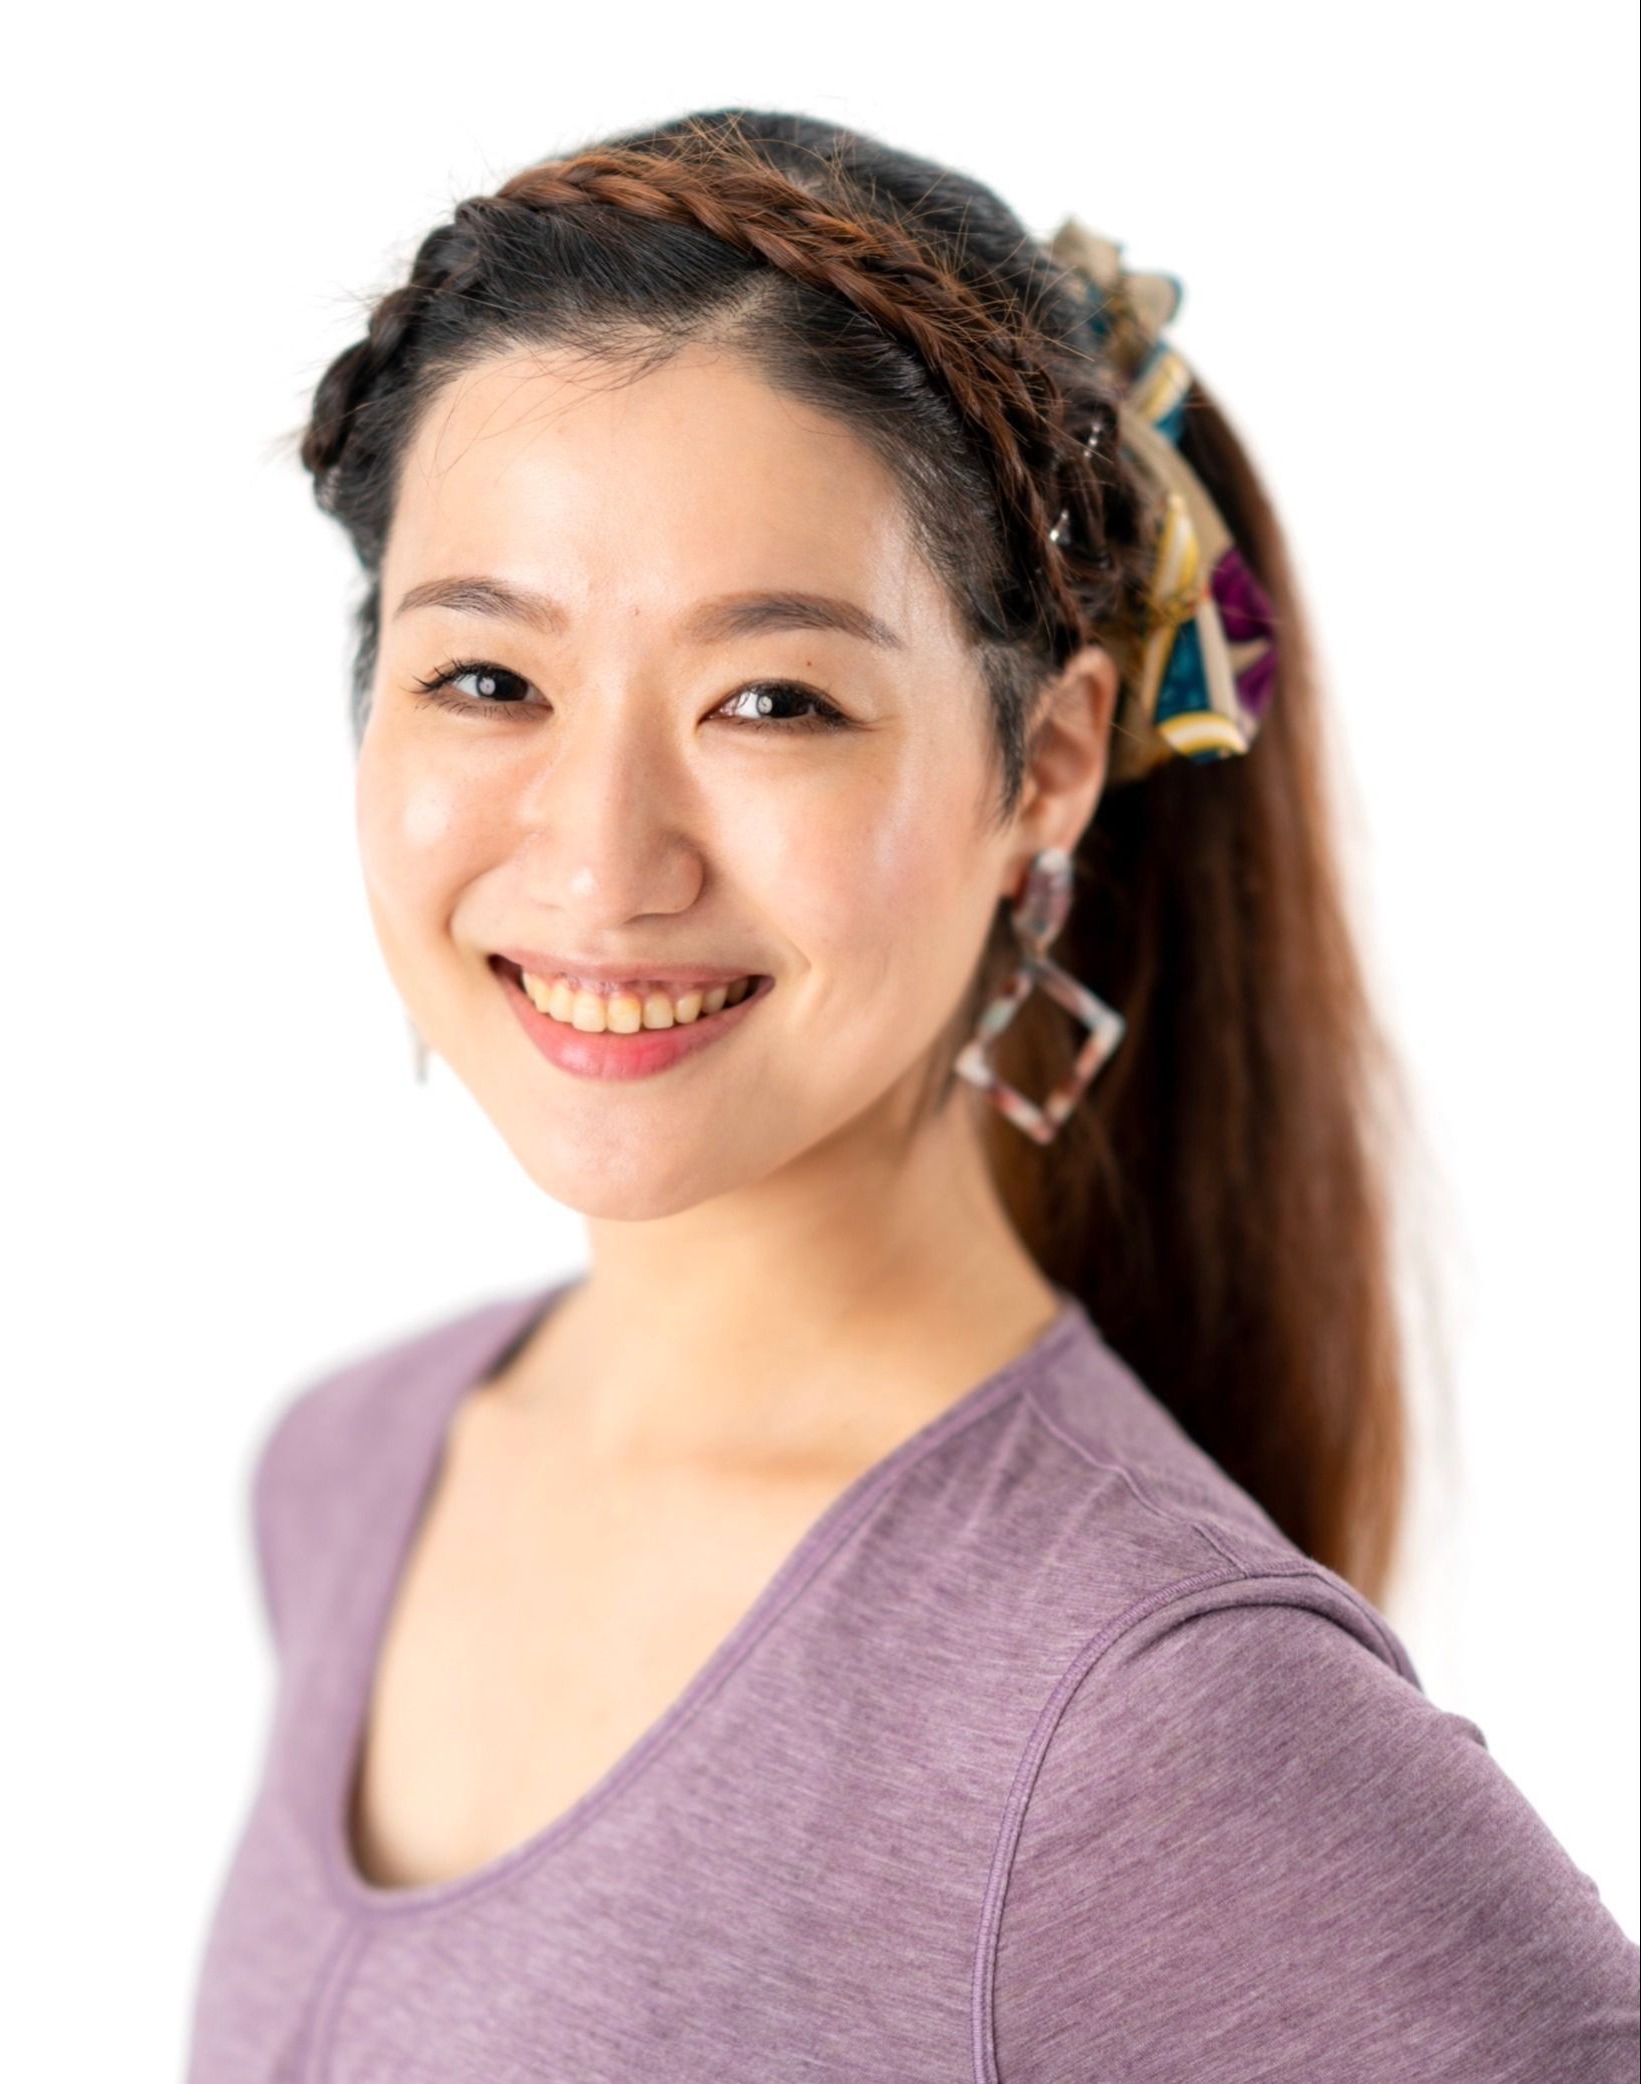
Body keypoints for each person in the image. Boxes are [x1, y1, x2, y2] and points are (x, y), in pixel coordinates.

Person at [183, 108, 1640, 2083]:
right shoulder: (352, 1474)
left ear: (1044, 769)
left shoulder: (1143, 1705)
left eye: (772, 701)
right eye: (488, 680)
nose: (601, 860)